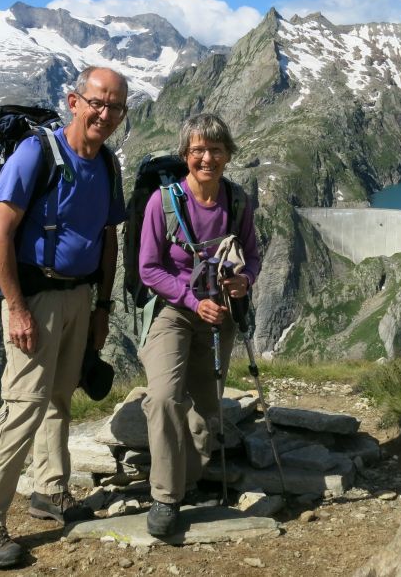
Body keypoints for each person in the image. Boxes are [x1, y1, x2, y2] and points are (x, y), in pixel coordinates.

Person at [0, 66, 128, 568]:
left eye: (115, 106)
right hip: (34, 296)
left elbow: (107, 237)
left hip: (80, 297)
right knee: (23, 405)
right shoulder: (37, 152)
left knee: (58, 396)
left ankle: (49, 490)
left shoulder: (107, 164)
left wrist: (102, 307)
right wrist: (16, 308)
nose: (104, 113)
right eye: (97, 102)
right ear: (74, 101)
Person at [137, 112, 261, 536]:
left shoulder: (238, 200)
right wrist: (191, 299)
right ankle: (165, 498)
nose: (206, 158)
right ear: (185, 155)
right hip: (172, 313)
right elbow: (149, 269)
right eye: (197, 150)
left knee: (207, 409)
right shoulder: (164, 202)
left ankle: (188, 480)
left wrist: (245, 280)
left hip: (220, 315)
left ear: (228, 154)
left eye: (215, 150)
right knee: (164, 397)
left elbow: (253, 254)